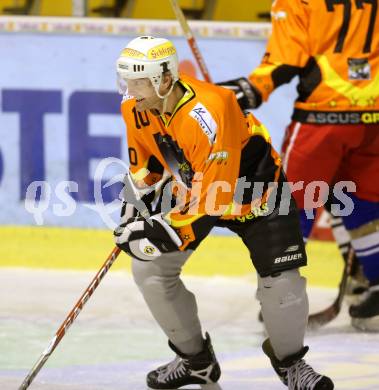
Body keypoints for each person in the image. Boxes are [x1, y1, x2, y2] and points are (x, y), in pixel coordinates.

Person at [113, 35, 334, 390]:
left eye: (139, 81)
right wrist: (134, 202)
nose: (131, 90)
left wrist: (152, 237)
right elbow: (149, 163)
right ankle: (195, 362)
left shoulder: (210, 112)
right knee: (149, 272)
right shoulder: (134, 107)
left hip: (255, 193)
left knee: (283, 286)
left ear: (165, 78)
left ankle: (291, 363)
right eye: (127, 80)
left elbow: (212, 201)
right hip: (198, 187)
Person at [217, 0, 379, 332]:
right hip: (374, 117)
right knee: (366, 205)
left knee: (290, 205)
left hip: (322, 117)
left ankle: (282, 297)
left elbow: (286, 58)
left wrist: (250, 90)